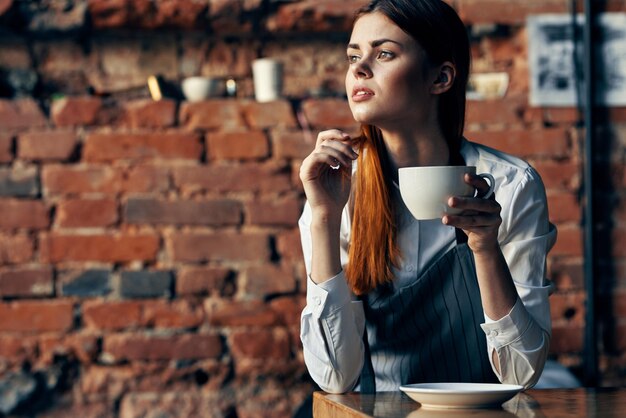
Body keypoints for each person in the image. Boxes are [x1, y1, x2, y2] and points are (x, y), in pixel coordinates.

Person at [298, 0, 557, 394]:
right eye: (354, 55)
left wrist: (486, 249)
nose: (359, 69)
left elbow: (521, 375)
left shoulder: (510, 185)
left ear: (441, 77)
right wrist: (323, 218)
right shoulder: (336, 187)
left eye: (384, 53)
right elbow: (335, 377)